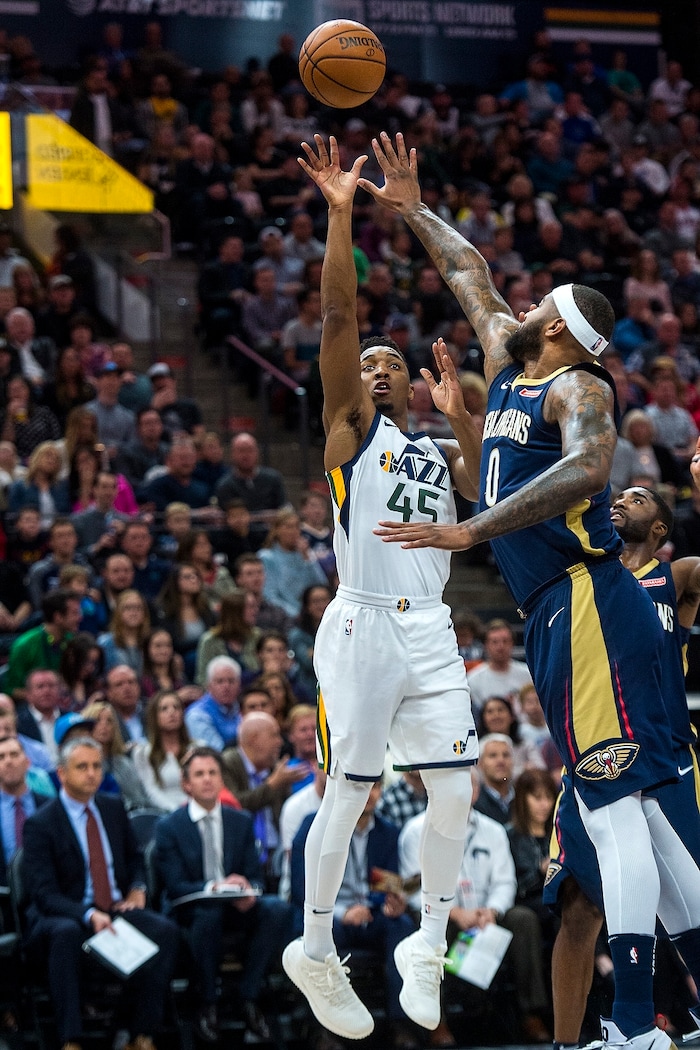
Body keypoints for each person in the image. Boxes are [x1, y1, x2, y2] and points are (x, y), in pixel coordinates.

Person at [363, 130, 690, 1050]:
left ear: (555, 327)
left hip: (590, 600)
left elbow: (590, 469)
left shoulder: (577, 386)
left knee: (617, 805)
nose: (517, 300)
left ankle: (634, 1025)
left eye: (536, 300)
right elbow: (470, 272)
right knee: (640, 820)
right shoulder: (509, 370)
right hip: (554, 613)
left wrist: (470, 527)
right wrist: (411, 205)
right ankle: (654, 1016)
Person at [281, 134, 479, 1041]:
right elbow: (335, 324)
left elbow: (490, 505)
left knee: (457, 792)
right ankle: (315, 947)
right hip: (361, 625)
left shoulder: (436, 450)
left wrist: (468, 426)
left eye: (391, 359)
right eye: (369, 362)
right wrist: (340, 214)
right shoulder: (350, 435)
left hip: (433, 627)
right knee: (350, 794)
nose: (379, 363)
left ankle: (426, 944)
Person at [547, 480, 700, 1050]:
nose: (621, 502)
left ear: (660, 528)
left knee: (684, 890)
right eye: (620, 496)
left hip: (670, 762)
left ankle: (640, 1021)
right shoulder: (588, 575)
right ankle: (572, 1042)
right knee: (579, 906)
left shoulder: (674, 576)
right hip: (599, 754)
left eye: (638, 499)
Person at [22, 736, 179, 1050]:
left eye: (96, 766)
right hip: (65, 913)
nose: (92, 773)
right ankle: (71, 1039)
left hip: (115, 907)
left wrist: (138, 888)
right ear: (62, 774)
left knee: (164, 931)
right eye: (82, 767)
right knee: (65, 934)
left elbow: (134, 858)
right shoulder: (41, 823)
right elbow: (43, 893)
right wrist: (87, 913)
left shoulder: (111, 807)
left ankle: (139, 1034)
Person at [154, 745, 293, 1042]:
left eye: (212, 773)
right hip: (192, 910)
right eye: (199, 774)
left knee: (277, 909)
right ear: (186, 783)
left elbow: (256, 876)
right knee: (209, 915)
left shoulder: (239, 821)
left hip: (236, 906)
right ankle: (208, 1002)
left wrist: (246, 887)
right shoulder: (169, 826)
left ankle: (248, 995)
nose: (207, 779)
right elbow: (174, 885)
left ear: (221, 779)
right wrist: (213, 888)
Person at [291, 779, 419, 1050]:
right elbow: (300, 888)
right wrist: (342, 912)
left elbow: (387, 885)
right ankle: (323, 1031)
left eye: (374, 787)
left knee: (402, 925)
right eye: (361, 787)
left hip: (369, 914)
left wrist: (390, 904)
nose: (368, 795)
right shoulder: (314, 826)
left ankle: (401, 1024)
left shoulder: (388, 832)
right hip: (328, 915)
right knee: (322, 934)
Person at [0, 734, 49, 885]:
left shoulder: (49, 807)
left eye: (14, 754)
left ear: (27, 762)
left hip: (48, 890)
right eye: (1, 757)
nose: (8, 761)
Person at [132, 690, 192, 812]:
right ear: (154, 716)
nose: (172, 712)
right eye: (164, 709)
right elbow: (151, 791)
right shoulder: (143, 753)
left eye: (176, 707)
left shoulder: (198, 748)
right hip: (164, 814)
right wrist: (178, 811)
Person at [466, 618, 532, 714]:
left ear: (512, 643)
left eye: (505, 641)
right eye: (495, 642)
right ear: (486, 645)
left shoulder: (528, 675)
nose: (500, 647)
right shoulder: (473, 680)